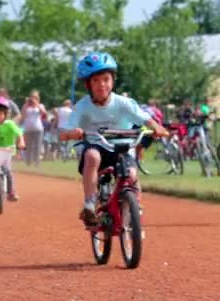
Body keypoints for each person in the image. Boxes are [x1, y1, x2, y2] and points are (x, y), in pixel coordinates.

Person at [59, 52, 168, 227]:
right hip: (94, 146)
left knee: (132, 175)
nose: (101, 84)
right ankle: (89, 205)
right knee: (92, 157)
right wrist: (71, 133)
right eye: (95, 81)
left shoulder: (123, 102)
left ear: (113, 80)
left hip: (121, 147)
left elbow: (144, 118)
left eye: (106, 79)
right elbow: (64, 130)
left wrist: (156, 127)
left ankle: (134, 209)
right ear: (88, 84)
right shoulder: (82, 106)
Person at [20, 90, 47, 167]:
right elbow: (23, 115)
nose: (33, 99)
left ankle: (37, 163)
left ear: (38, 98)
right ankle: (28, 162)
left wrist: (37, 104)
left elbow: (44, 114)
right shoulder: (26, 106)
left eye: (35, 97)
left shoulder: (40, 105)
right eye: (32, 97)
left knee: (37, 146)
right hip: (28, 129)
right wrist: (26, 104)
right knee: (28, 147)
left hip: (38, 129)